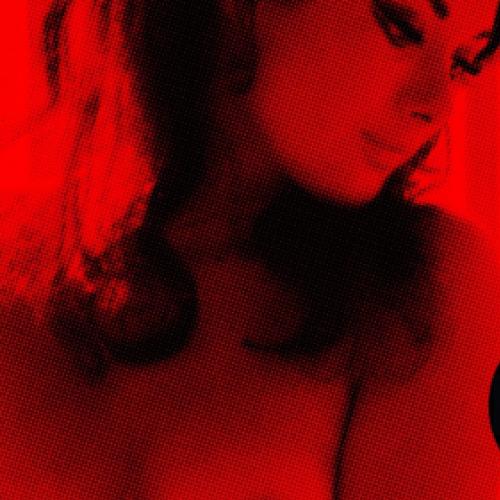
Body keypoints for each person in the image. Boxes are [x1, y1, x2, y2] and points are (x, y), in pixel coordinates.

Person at [1, 0, 499, 498]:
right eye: (402, 26)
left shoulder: (423, 289)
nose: (437, 104)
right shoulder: (17, 266)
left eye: (464, 63)